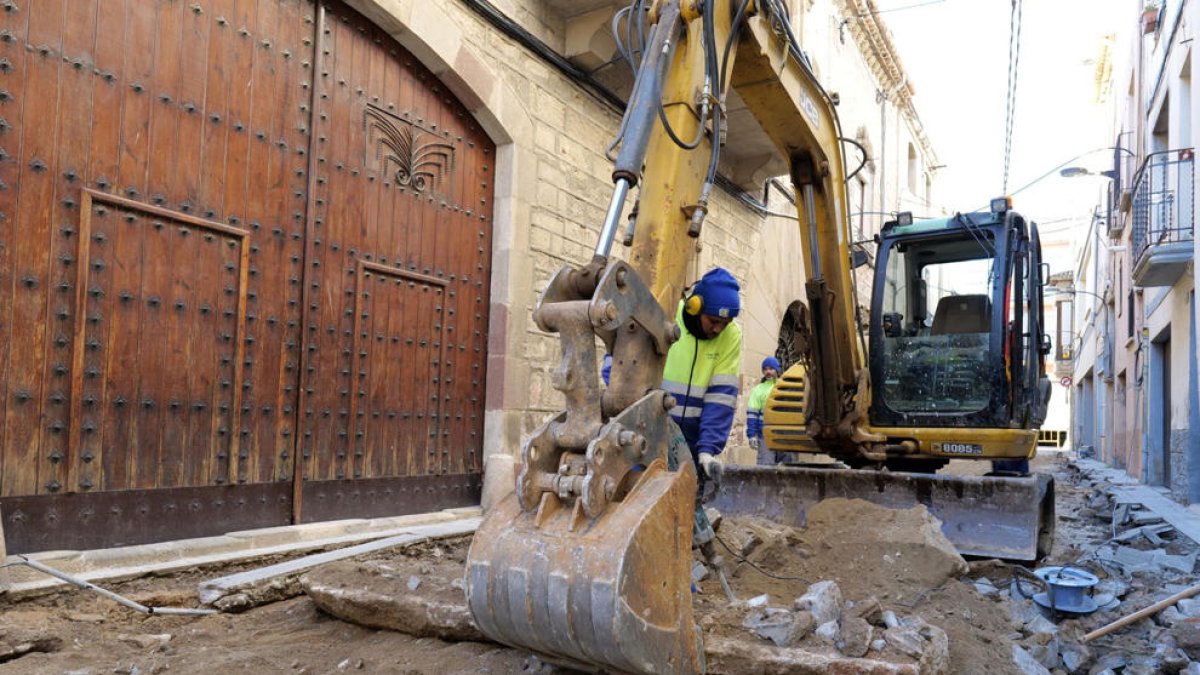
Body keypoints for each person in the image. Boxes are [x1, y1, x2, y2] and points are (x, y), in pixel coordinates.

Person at [747, 356, 781, 465]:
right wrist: (752, 435)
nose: (768, 372)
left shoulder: (784, 386)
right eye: (765, 369)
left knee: (787, 469)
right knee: (765, 468)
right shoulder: (758, 390)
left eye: (771, 369)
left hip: (784, 435)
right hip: (765, 436)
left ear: (777, 370)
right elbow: (752, 415)